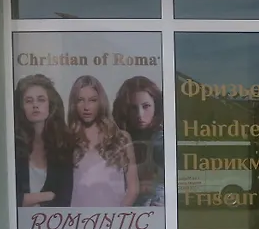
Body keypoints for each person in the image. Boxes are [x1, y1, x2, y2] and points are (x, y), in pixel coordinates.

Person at [67, 75, 139, 207]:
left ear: (101, 102)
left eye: (92, 100)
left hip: (114, 217)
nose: (86, 107)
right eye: (80, 100)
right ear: (74, 104)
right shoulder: (67, 139)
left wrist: (117, 216)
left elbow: (133, 190)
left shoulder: (121, 138)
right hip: (77, 217)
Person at [13, 74, 74, 207]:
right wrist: (46, 196)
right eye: (29, 101)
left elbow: (63, 200)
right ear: (21, 107)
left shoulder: (63, 147)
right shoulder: (12, 147)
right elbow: (6, 199)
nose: (35, 105)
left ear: (50, 105)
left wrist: (26, 199)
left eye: (41, 100)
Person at [112, 76, 165, 207]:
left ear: (156, 106)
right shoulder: (119, 139)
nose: (140, 115)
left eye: (146, 106)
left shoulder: (161, 139)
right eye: (133, 108)